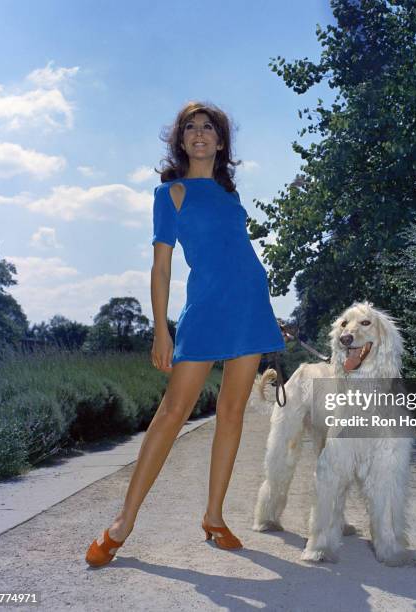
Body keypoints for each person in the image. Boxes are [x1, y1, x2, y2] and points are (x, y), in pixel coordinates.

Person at [85, 101, 286, 567]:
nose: (199, 134)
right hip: (205, 313)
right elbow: (161, 267)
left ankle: (214, 517)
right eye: (191, 128)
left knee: (232, 414)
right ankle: (123, 523)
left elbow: (241, 257)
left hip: (252, 310)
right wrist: (162, 329)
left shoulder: (231, 198)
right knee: (172, 413)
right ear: (181, 141)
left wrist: (269, 313)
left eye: (208, 127)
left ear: (220, 142)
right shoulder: (170, 194)